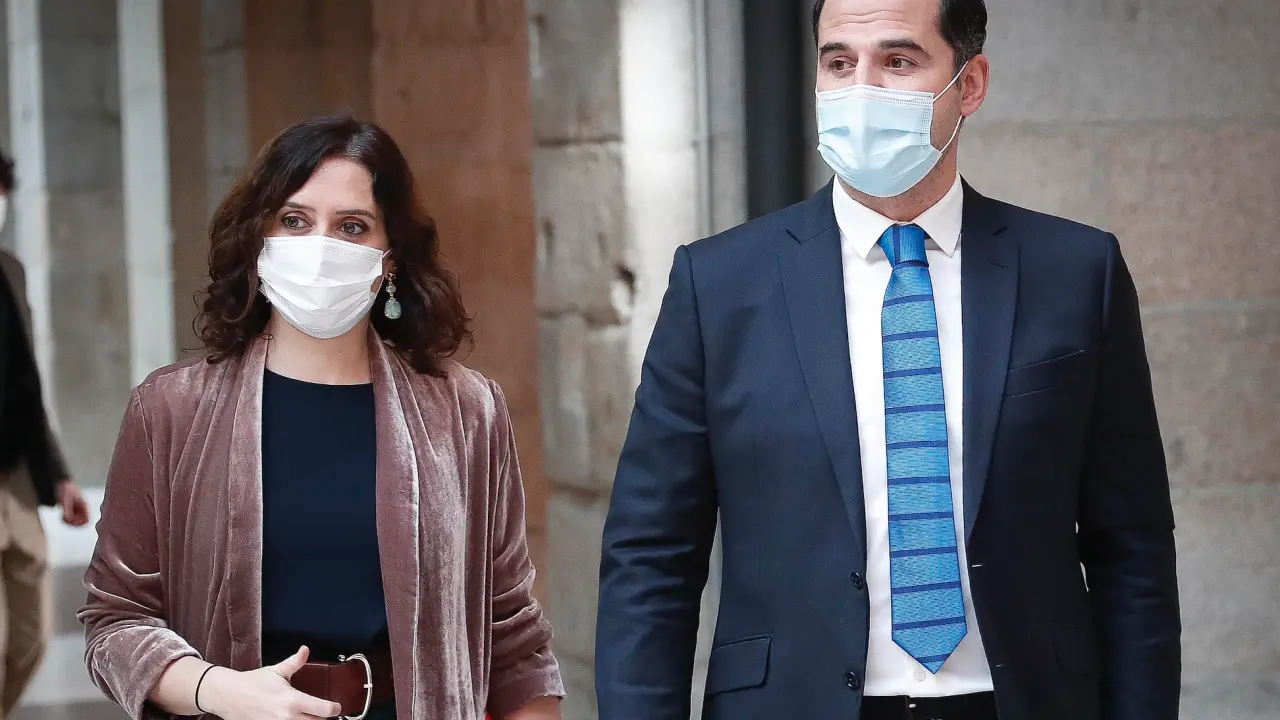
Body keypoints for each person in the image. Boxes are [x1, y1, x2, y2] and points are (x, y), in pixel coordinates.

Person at [595, 1, 1181, 719]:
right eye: (839, 62)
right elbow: (651, 557)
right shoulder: (719, 286)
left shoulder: (1075, 271)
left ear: (970, 84)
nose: (862, 89)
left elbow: (1132, 545)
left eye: (898, 61)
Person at [78, 115, 564, 720]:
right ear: (259, 240)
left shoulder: (465, 413)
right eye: (295, 220)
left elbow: (513, 636)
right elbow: (116, 620)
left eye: (351, 226)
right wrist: (215, 688)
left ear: (389, 260)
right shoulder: (171, 410)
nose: (320, 247)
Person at [0, 150, 91, 718]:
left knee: (29, 639)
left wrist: (58, 473)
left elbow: (26, 383)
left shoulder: (9, 271)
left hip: (15, 477)